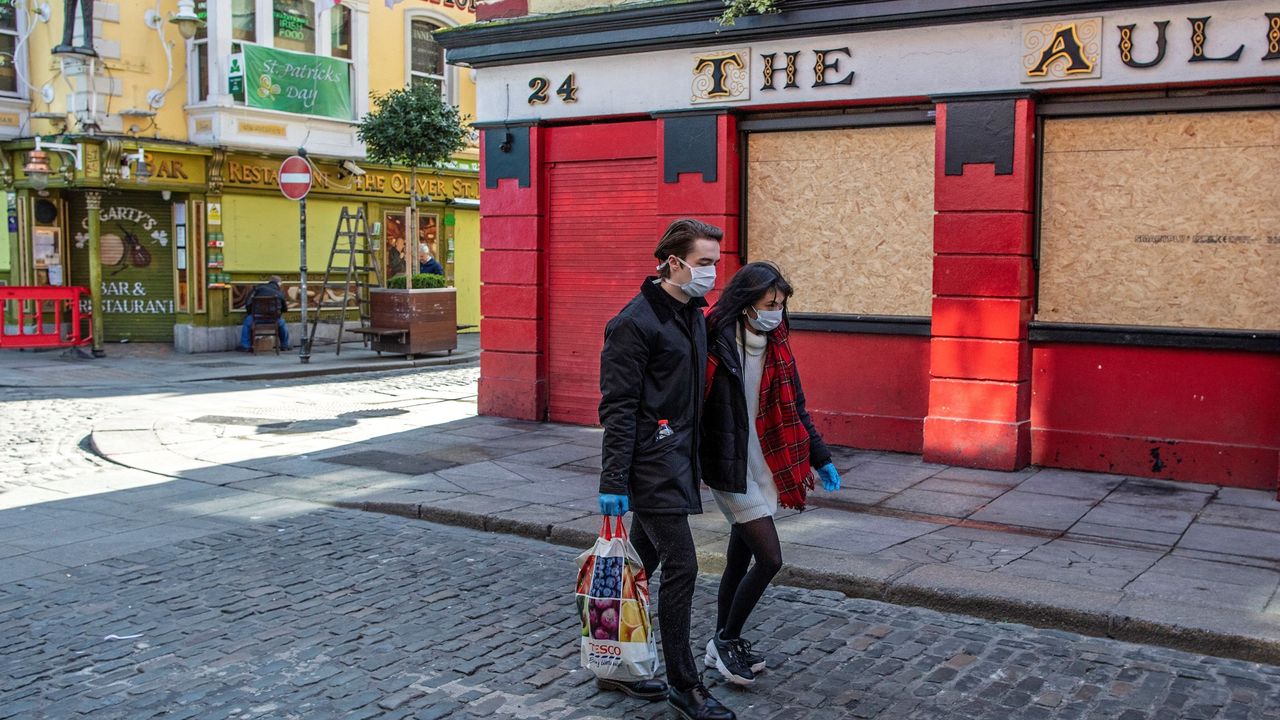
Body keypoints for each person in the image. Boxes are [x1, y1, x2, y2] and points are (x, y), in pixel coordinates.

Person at [597, 218, 736, 720]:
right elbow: (618, 407)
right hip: (649, 466)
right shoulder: (634, 323)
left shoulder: (692, 315)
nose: (711, 275)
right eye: (703, 264)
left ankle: (615, 665)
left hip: (679, 459)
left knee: (641, 567)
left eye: (716, 265)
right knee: (683, 567)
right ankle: (684, 685)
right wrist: (613, 482)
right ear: (673, 262)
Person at [699, 261, 843, 687]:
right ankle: (727, 640)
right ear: (746, 303)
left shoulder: (777, 342)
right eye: (769, 303)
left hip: (765, 463)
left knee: (738, 558)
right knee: (770, 558)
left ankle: (719, 642)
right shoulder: (714, 338)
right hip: (728, 466)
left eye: (780, 304)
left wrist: (821, 457)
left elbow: (795, 404)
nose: (776, 312)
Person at [237, 276, 290, 351]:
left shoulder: (258, 289)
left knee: (247, 322)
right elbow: (285, 309)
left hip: (257, 319)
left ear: (269, 281)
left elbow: (248, 303)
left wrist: (250, 313)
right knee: (282, 323)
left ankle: (245, 345)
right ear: (279, 283)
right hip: (273, 320)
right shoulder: (279, 293)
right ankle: (285, 345)